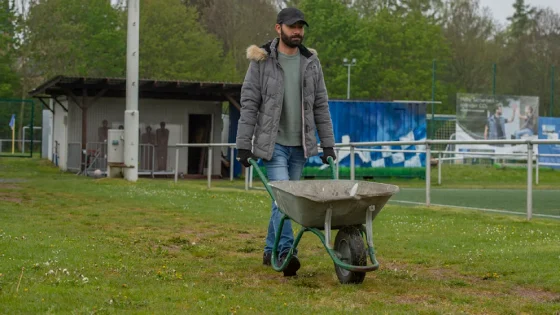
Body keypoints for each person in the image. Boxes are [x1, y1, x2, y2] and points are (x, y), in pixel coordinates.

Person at [235, 7, 336, 277]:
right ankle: (286, 252)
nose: (297, 32)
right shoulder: (261, 62)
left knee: (282, 202)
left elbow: (321, 106)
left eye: (301, 27)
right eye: (292, 27)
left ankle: (270, 249)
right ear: (278, 28)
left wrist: (328, 145)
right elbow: (249, 104)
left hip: (300, 147)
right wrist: (243, 145)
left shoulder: (311, 63)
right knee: (285, 201)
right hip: (273, 146)